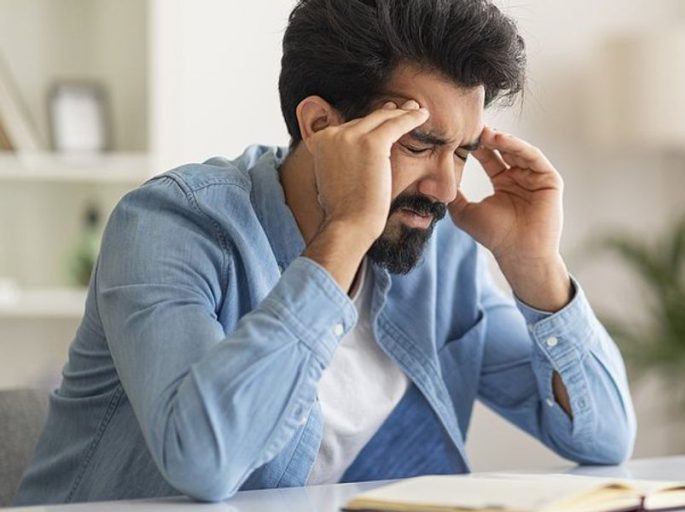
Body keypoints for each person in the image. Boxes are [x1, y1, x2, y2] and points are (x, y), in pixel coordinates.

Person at [15, 0, 636, 505]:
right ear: (319, 126)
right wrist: (344, 235)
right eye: (419, 145)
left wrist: (536, 268)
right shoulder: (171, 225)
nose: (448, 188)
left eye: (464, 152)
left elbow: (604, 439)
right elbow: (203, 461)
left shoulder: (437, 255)